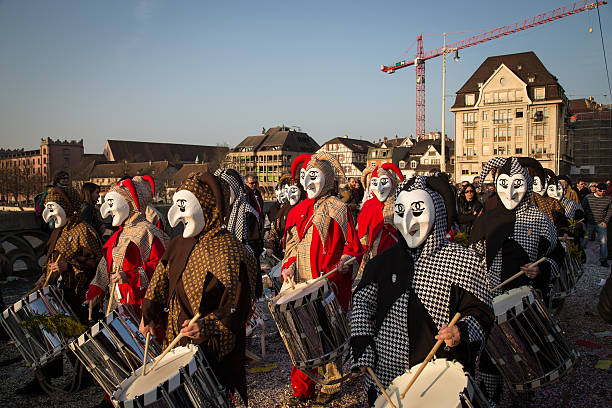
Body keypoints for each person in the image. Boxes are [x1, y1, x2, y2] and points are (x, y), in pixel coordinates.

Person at [351, 175, 493, 407]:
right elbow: (362, 304)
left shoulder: (462, 260)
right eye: (400, 210)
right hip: (388, 377)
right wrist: (362, 346)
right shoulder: (381, 263)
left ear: (436, 211)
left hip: (441, 375)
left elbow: (482, 312)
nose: (407, 222)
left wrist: (461, 332)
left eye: (417, 210)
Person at [140, 172, 258, 405]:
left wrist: (207, 325)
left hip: (211, 348)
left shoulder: (230, 252)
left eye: (183, 207)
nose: (175, 218)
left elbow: (237, 306)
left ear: (207, 206)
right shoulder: (178, 244)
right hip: (176, 341)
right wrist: (149, 314)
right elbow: (159, 283)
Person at [469, 156, 564, 405]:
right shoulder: (487, 218)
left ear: (528, 185)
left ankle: (522, 399)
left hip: (525, 301)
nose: (510, 191)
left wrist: (541, 271)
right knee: (491, 360)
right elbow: (473, 255)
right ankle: (490, 398)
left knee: (523, 359)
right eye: (505, 183)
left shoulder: (539, 218)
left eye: (517, 183)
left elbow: (556, 254)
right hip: (492, 299)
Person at [281, 153, 364, 406]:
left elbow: (353, 245)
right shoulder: (298, 210)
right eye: (305, 177)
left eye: (314, 176)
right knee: (302, 332)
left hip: (328, 282)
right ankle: (303, 384)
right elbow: (293, 244)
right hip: (302, 280)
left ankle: (330, 384)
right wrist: (289, 265)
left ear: (327, 179)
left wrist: (345, 261)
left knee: (327, 332)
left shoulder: (338, 208)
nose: (308, 182)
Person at [21, 185, 102, 394]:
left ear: (67, 207)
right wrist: (44, 275)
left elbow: (97, 261)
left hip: (77, 291)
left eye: (53, 207)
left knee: (77, 335)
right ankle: (45, 376)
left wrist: (70, 265)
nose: (49, 214)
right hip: (56, 291)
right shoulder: (58, 231)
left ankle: (84, 376)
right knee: (51, 332)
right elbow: (50, 260)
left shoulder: (83, 230)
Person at [84, 176, 169, 317]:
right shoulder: (119, 234)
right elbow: (106, 266)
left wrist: (132, 275)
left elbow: (162, 267)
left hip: (140, 305)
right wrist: (96, 289)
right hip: (117, 304)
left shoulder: (148, 232)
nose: (108, 212)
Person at [215, 168, 264, 297]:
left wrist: (237, 253)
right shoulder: (221, 212)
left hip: (243, 273)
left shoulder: (247, 212)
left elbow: (257, 245)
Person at [356, 163, 403, 274]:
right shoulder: (368, 205)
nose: (379, 188)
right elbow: (363, 233)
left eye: (383, 182)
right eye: (375, 183)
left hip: (396, 254)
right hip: (374, 255)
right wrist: (362, 256)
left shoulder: (401, 202)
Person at [581, 182, 612, 267]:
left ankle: (603, 259)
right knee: (585, 240)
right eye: (601, 191)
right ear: (596, 190)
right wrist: (588, 217)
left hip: (601, 223)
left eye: (604, 191)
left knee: (603, 242)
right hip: (590, 224)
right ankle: (580, 256)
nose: (602, 193)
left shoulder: (608, 199)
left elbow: (610, 211)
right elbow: (583, 208)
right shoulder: (588, 197)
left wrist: (605, 221)